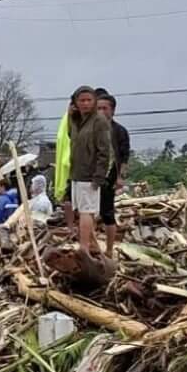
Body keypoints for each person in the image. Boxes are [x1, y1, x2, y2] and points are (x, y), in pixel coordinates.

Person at [65, 86, 114, 255]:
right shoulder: (77, 120)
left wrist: (99, 175)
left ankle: (84, 247)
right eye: (81, 100)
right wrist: (70, 116)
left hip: (90, 174)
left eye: (89, 100)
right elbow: (71, 137)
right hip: (77, 173)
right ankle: (92, 245)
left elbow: (104, 151)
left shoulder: (99, 121)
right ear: (75, 103)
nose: (85, 104)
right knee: (83, 211)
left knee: (87, 211)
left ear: (94, 102)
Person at [95, 91, 130, 256]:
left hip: (109, 177)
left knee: (107, 213)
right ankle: (91, 246)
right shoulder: (90, 129)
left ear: (112, 110)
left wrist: (121, 178)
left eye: (105, 108)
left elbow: (124, 158)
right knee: (85, 211)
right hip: (89, 176)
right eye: (98, 108)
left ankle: (109, 250)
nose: (101, 111)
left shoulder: (120, 131)